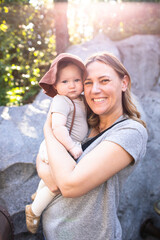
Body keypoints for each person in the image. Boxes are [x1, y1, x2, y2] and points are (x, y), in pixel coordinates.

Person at [36, 52, 148, 240]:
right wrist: (52, 175)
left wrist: (49, 129)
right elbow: (47, 170)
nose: (94, 90)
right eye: (88, 83)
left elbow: (68, 186)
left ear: (123, 82)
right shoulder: (83, 125)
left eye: (104, 81)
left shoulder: (130, 131)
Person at [25, 53, 88, 234]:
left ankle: (38, 194)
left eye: (77, 80)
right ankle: (33, 211)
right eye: (65, 82)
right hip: (59, 145)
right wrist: (73, 147)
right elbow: (58, 128)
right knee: (57, 185)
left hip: (64, 146)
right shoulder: (61, 100)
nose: (72, 85)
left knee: (51, 178)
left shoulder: (80, 100)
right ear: (55, 85)